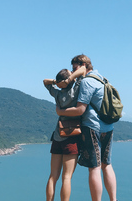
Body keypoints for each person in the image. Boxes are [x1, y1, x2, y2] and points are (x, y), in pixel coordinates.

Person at [56, 54, 118, 201]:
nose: (72, 72)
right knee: (106, 165)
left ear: (82, 65)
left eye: (74, 68)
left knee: (94, 168)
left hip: (92, 127)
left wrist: (60, 111)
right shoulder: (102, 78)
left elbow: (80, 110)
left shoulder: (87, 82)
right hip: (108, 127)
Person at [43, 66, 86, 201]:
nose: (73, 74)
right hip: (72, 137)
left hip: (58, 135)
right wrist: (70, 79)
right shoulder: (76, 90)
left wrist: (57, 83)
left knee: (53, 175)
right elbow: (83, 70)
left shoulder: (57, 94)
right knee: (67, 177)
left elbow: (45, 81)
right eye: (70, 74)